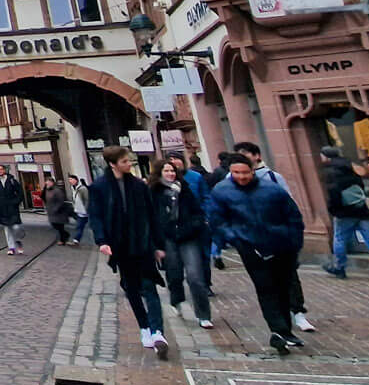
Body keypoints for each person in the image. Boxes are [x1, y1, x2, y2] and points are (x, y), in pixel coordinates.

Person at [206, 153, 308, 354]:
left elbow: (293, 217)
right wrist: (235, 238)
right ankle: (277, 331)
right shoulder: (222, 191)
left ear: (253, 171)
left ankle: (285, 331)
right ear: (230, 172)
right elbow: (217, 220)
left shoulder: (272, 189)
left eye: (245, 172)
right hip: (250, 246)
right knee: (265, 287)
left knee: (283, 286)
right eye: (236, 173)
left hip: (281, 244)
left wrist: (295, 243)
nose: (241, 177)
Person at [88, 146, 169, 359]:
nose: (129, 164)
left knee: (149, 285)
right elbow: (95, 216)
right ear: (113, 163)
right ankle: (144, 327)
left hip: (142, 242)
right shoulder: (99, 187)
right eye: (124, 161)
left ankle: (157, 331)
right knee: (132, 287)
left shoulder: (139, 186)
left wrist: (158, 245)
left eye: (129, 160)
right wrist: (102, 241)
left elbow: (151, 216)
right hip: (120, 244)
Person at [235, 142, 312, 330]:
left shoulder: (272, 177)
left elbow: (289, 204)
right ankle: (278, 325)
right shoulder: (232, 180)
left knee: (290, 275)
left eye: (245, 155)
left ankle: (298, 313)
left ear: (256, 156)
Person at [151, 158, 213, 327]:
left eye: (172, 171)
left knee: (195, 276)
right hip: (167, 238)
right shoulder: (153, 192)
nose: (171, 174)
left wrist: (196, 224)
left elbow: (197, 211)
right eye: (166, 171)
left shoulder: (184, 189)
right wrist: (156, 243)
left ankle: (203, 315)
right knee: (174, 274)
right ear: (159, 173)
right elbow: (150, 218)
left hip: (188, 236)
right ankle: (176, 300)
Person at [320, 146, 369, 282]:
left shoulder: (332, 172)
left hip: (345, 212)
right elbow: (360, 186)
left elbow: (334, 194)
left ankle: (340, 267)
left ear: (326, 157)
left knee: (340, 239)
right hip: (361, 209)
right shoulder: (350, 168)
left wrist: (334, 211)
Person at [0, 167, 26, 254]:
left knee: (16, 227)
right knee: (7, 228)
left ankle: (18, 240)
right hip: (3, 208)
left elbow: (20, 192)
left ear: (4, 170)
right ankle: (11, 248)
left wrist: (16, 202)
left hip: (12, 207)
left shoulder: (12, 180)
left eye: (1, 169)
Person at [43, 173, 78, 245]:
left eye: (48, 182)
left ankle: (63, 239)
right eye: (46, 182)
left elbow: (61, 200)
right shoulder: (47, 190)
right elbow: (44, 198)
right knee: (55, 225)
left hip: (59, 212)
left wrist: (56, 208)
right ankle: (64, 236)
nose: (47, 183)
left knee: (59, 226)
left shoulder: (57, 190)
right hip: (51, 211)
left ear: (52, 182)